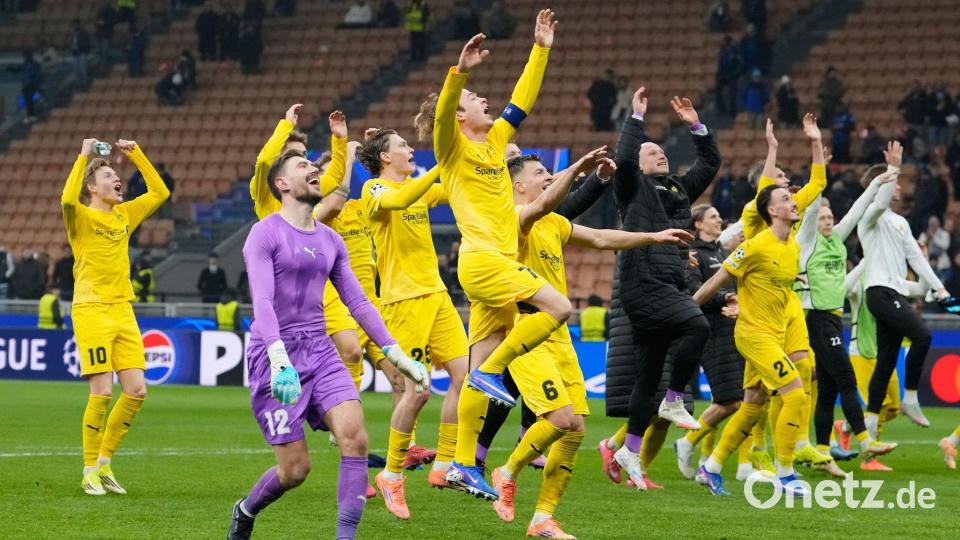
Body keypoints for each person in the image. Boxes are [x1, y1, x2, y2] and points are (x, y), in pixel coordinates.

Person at [225, 149, 426, 540]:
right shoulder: (264, 233)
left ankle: (344, 537)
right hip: (275, 356)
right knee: (295, 470)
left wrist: (395, 352)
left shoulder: (331, 240)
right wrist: (279, 359)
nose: (314, 170)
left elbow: (358, 302)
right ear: (282, 184)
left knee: (356, 436)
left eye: (314, 166)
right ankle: (246, 509)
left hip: (320, 350)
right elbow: (262, 302)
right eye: (303, 166)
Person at [489, 153, 690, 533]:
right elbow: (546, 202)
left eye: (550, 171)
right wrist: (579, 169)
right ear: (518, 185)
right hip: (527, 330)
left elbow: (599, 237)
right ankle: (507, 469)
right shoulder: (514, 218)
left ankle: (543, 517)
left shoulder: (553, 223)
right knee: (560, 418)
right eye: (540, 173)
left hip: (559, 334)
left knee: (576, 428)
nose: (548, 177)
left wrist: (653, 237)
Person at [413, 12, 568, 499]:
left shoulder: (496, 141)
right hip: (484, 262)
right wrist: (459, 74)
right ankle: (493, 370)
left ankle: (460, 463)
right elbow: (441, 117)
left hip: (493, 269)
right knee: (559, 308)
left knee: (477, 378)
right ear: (460, 115)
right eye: (476, 100)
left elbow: (522, 100)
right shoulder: (452, 149)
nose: (486, 102)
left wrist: (540, 48)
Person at [608, 86, 721, 488]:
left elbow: (710, 164)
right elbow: (622, 159)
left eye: (662, 150)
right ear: (639, 163)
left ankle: (630, 449)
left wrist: (697, 126)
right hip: (643, 282)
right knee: (697, 326)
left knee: (648, 370)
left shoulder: (675, 190)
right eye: (652, 152)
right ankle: (674, 400)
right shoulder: (631, 188)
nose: (661, 154)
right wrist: (635, 121)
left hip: (666, 280)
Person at [357, 129, 469, 517]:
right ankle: (390, 474)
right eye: (403, 145)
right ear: (385, 158)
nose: (411, 149)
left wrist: (478, 159)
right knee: (417, 392)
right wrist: (443, 163)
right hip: (403, 303)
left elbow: (456, 189)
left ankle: (444, 464)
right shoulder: (374, 191)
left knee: (465, 378)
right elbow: (403, 196)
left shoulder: (416, 188)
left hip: (438, 297)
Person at [62, 138, 170, 496]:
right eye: (109, 174)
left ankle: (106, 463)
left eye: (116, 173)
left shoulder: (125, 215)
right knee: (102, 392)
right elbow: (65, 199)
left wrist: (137, 153)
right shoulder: (80, 216)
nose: (116, 178)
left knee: (137, 391)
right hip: (91, 309)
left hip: (123, 308)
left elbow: (160, 192)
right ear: (93, 187)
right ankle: (88, 469)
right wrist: (84, 155)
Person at [693, 183, 809, 497]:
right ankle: (786, 474)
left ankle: (711, 467)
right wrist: (687, 311)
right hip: (753, 336)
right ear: (772, 211)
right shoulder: (755, 245)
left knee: (753, 404)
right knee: (795, 395)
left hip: (774, 335)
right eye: (786, 199)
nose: (794, 202)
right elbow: (716, 281)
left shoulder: (793, 248)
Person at [795, 150, 901, 469]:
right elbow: (813, 208)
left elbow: (856, 211)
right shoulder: (807, 241)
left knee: (827, 391)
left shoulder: (838, 240)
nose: (828, 221)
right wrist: (820, 172)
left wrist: (879, 183)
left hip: (832, 319)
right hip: (814, 319)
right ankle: (864, 438)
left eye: (830, 218)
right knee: (846, 378)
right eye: (823, 218)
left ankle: (824, 454)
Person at [856, 142, 950, 432]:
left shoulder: (901, 223)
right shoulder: (868, 217)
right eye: (894, 182)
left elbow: (916, 259)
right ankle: (910, 397)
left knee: (886, 361)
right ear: (882, 184)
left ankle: (870, 424)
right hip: (879, 293)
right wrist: (893, 168)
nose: (899, 187)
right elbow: (880, 202)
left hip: (893, 293)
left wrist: (939, 289)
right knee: (922, 335)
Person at [672, 204, 746, 481]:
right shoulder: (694, 257)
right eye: (713, 217)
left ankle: (704, 452)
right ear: (698, 225)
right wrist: (723, 299)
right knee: (731, 401)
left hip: (735, 328)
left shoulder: (724, 254)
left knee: (737, 398)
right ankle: (688, 443)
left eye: (719, 216)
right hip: (712, 330)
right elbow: (694, 291)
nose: (719, 220)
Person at [715, 35, 742, 117]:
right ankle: (722, 109)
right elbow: (720, 63)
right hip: (723, 74)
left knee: (732, 93)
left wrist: (735, 73)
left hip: (732, 74)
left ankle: (732, 111)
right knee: (718, 91)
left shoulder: (735, 51)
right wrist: (719, 74)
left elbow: (740, 63)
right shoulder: (722, 51)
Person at [19, 50, 42, 123]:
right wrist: (10, 68)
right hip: (25, 85)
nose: (24, 58)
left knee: (30, 101)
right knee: (27, 101)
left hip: (31, 85)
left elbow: (37, 75)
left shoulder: (35, 64)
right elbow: (18, 69)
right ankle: (30, 115)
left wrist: (35, 84)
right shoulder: (24, 64)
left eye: (25, 56)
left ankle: (32, 115)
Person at [70, 19, 93, 85]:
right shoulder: (73, 33)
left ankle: (84, 83)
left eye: (75, 25)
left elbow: (87, 42)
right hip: (75, 53)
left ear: (78, 24)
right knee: (76, 70)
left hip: (82, 52)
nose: (74, 26)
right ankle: (78, 83)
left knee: (83, 69)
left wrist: (86, 51)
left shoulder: (84, 32)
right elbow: (72, 42)